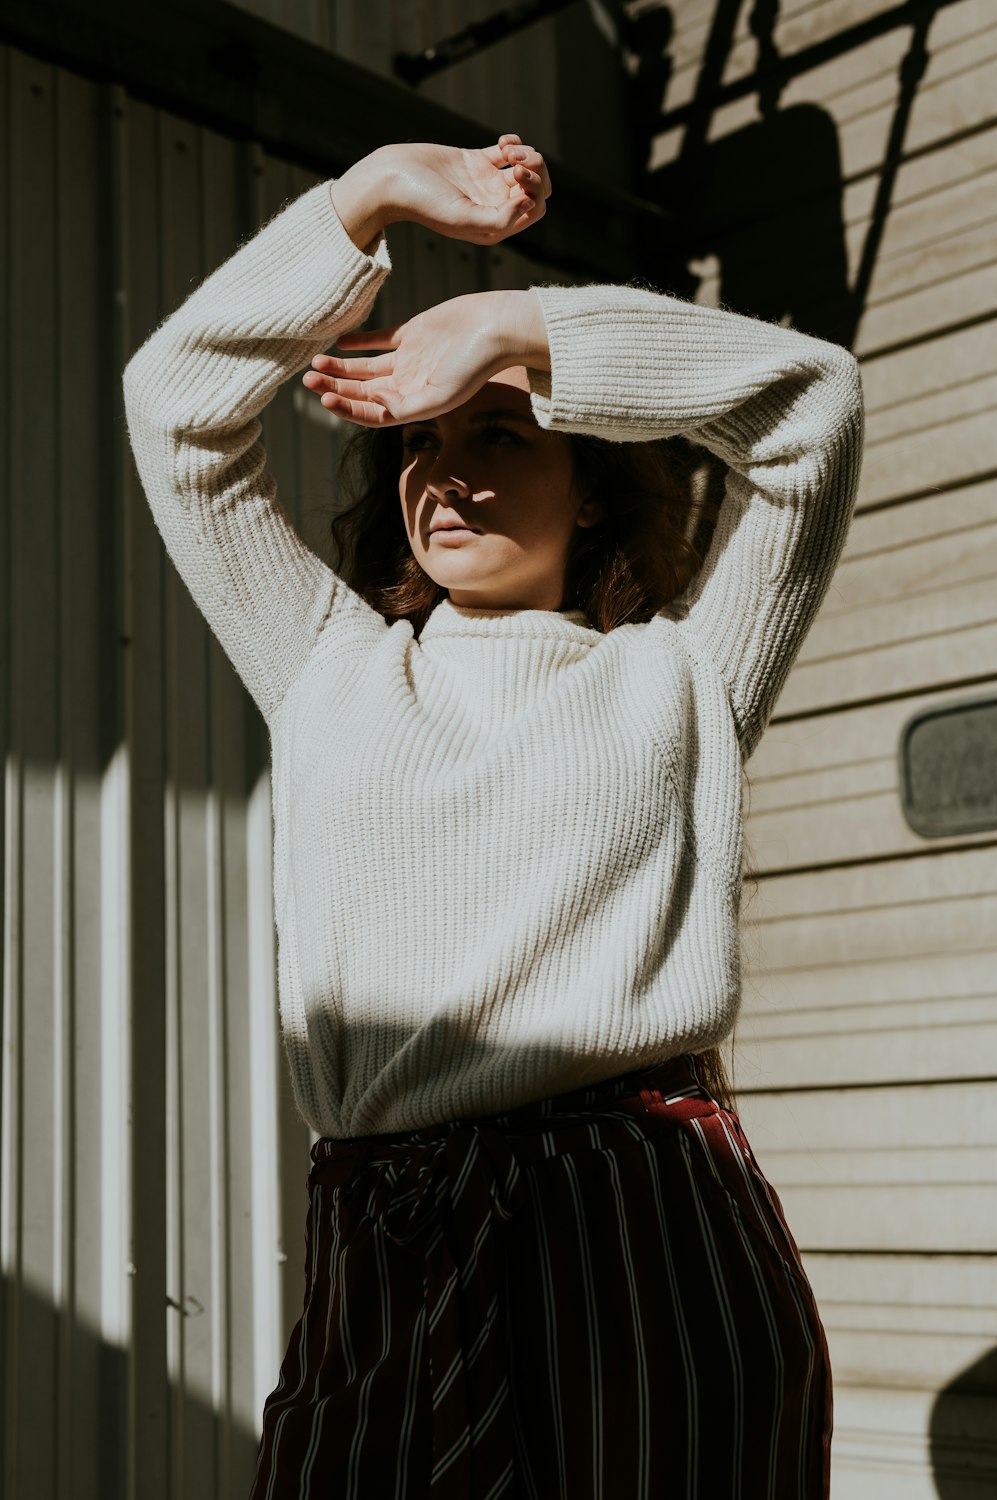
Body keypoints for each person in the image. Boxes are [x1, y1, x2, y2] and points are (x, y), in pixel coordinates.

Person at [123, 132, 863, 1500]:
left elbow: (814, 410)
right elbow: (175, 408)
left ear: (594, 488)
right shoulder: (330, 665)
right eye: (423, 441)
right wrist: (373, 196)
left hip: (647, 1223)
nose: (447, 472)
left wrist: (515, 330)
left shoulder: (686, 677)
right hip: (393, 1237)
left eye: (501, 436)